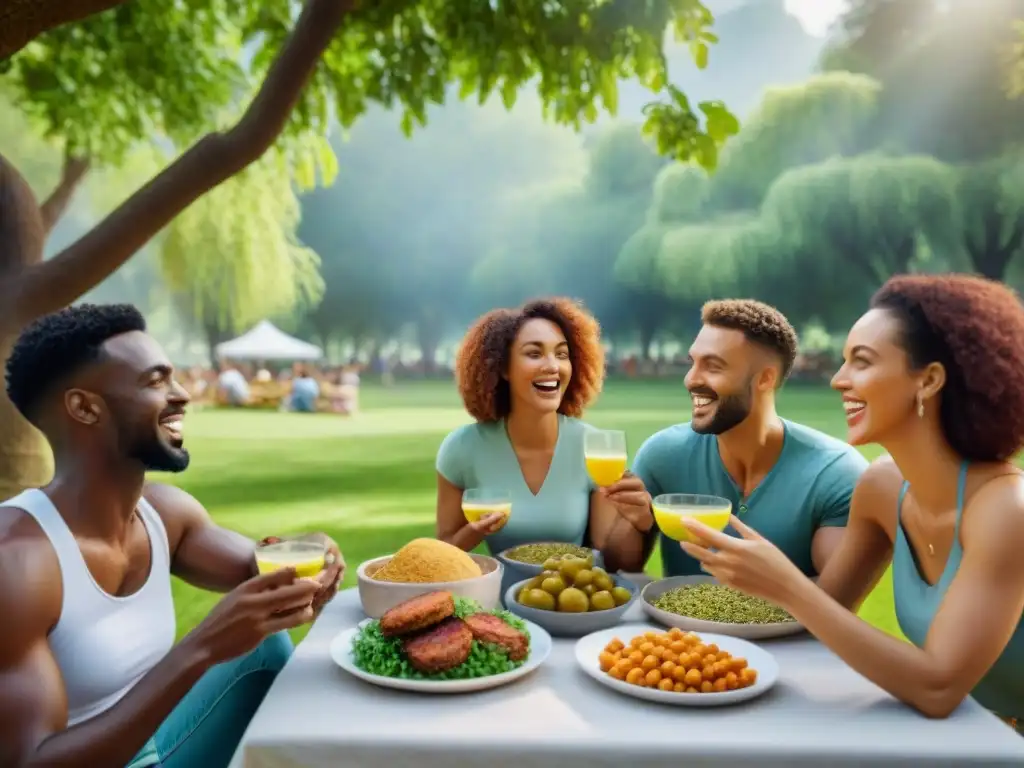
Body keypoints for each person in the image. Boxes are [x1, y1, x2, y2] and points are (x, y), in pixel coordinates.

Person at [0, 304, 346, 768]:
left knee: (265, 643)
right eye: (155, 381)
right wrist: (200, 648)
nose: (182, 395)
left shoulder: (165, 514)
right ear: (85, 407)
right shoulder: (18, 561)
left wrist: (314, 557)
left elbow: (269, 574)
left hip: (155, 748)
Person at [680, 275, 1024, 726]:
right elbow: (822, 616)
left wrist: (787, 584)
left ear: (929, 381)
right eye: (843, 362)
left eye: (861, 362)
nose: (838, 381)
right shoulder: (881, 488)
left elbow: (938, 687)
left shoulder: (1006, 510)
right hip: (963, 739)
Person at [632, 299, 867, 578]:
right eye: (692, 363)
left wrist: (773, 577)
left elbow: (835, 605)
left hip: (789, 625)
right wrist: (634, 523)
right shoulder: (663, 456)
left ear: (765, 379)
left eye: (713, 366)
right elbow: (620, 564)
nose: (690, 379)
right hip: (673, 624)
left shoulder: (835, 473)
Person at [435, 298, 653, 582]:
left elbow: (614, 560)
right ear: (502, 368)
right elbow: (442, 556)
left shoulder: (595, 447)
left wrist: (638, 522)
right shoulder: (462, 449)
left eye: (562, 355)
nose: (553, 366)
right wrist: (474, 532)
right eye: (534, 353)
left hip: (572, 608)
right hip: (498, 611)